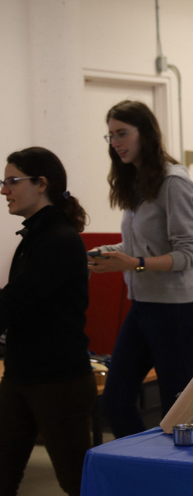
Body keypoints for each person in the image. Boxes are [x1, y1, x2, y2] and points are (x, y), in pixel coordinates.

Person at [88, 100, 193, 438]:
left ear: (147, 134)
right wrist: (107, 253)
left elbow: (190, 254)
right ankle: (140, 467)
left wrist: (135, 264)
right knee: (115, 401)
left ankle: (180, 479)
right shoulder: (137, 182)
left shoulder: (174, 182)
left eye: (123, 133)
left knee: (177, 411)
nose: (116, 143)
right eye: (110, 136)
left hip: (175, 312)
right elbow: (141, 247)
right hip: (143, 308)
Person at [0, 147, 96, 496]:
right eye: (4, 181)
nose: (4, 190)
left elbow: (16, 300)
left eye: (12, 181)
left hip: (58, 382)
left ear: (42, 184)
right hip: (21, 375)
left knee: (77, 482)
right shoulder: (34, 237)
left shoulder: (58, 241)